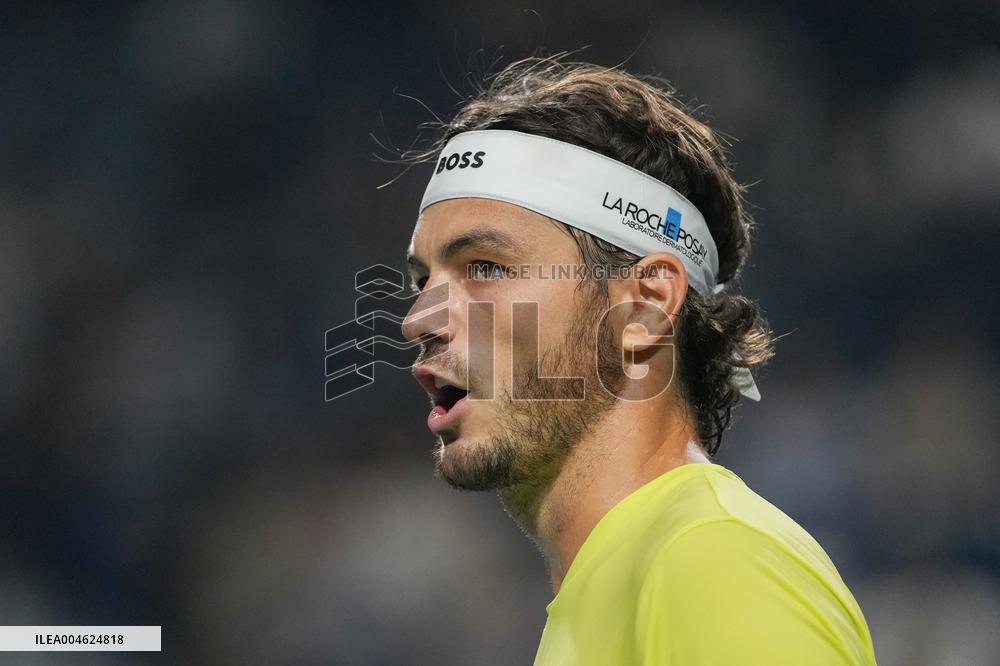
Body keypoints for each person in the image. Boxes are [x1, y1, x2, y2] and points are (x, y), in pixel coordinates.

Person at [400, 57, 877, 665]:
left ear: (647, 305)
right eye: (422, 279)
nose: (418, 319)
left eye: (487, 268)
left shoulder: (714, 563)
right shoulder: (623, 582)